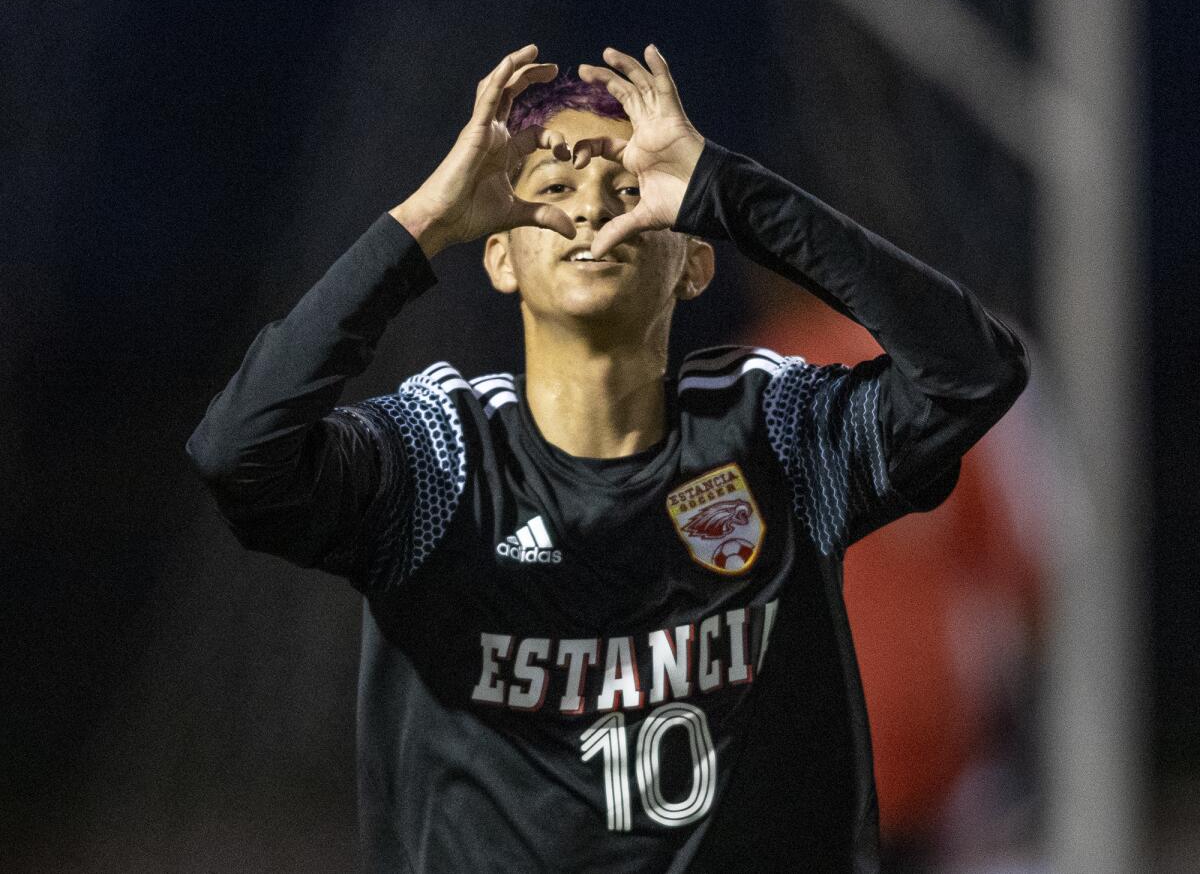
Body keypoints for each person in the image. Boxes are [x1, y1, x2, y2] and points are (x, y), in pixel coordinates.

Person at [186, 43, 1029, 873]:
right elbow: (240, 453)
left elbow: (973, 375)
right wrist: (421, 225)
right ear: (499, 256)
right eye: (552, 192)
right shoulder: (440, 456)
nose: (591, 208)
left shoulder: (774, 433)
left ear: (695, 262)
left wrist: (727, 188)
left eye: (631, 192)